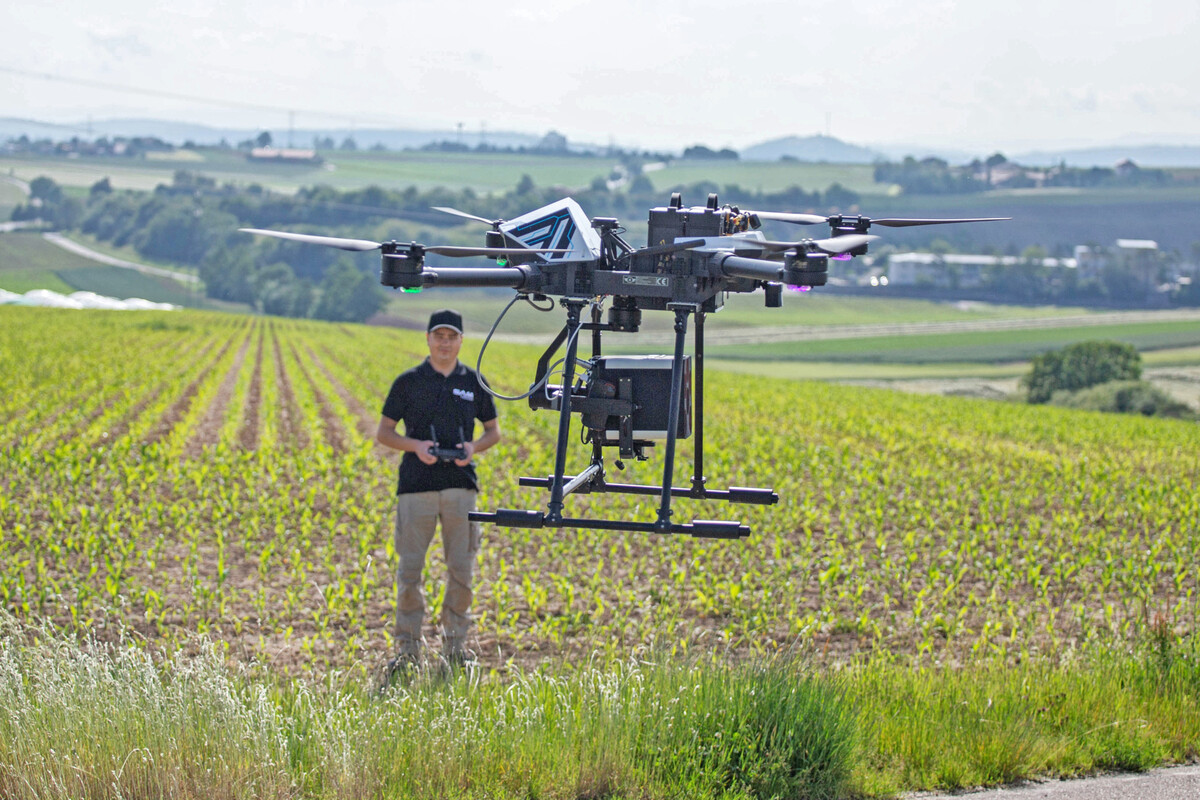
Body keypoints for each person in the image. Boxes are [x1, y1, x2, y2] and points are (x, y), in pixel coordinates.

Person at [376, 308, 501, 670]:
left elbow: (493, 431)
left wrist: (472, 448)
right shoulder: (408, 382)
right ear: (428, 339)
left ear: (461, 341)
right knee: (410, 572)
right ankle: (407, 652)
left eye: (452, 337)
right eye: (439, 336)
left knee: (462, 571)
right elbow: (384, 432)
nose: (445, 343)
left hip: (461, 488)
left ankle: (454, 650)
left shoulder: (474, 382)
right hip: (416, 487)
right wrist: (415, 446)